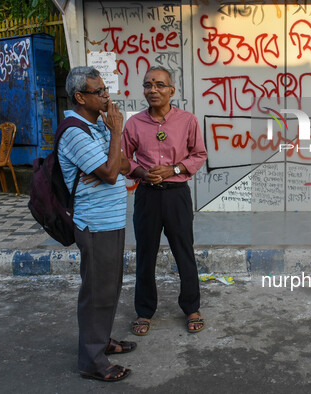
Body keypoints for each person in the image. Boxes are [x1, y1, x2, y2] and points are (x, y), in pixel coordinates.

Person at [59, 66, 134, 382]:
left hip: (112, 219)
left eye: (105, 89)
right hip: (95, 223)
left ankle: (100, 342)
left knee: (110, 286)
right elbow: (111, 173)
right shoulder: (75, 131)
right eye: (99, 91)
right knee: (97, 291)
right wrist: (116, 134)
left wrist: (111, 158)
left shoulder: (98, 126)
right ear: (80, 97)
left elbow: (125, 164)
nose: (107, 96)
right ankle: (91, 360)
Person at [122, 66, 207, 336]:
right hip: (147, 195)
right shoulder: (134, 123)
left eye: (159, 85)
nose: (153, 90)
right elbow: (124, 159)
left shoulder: (188, 121)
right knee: (145, 255)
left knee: (184, 252)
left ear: (172, 90)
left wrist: (174, 169)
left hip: (176, 196)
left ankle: (191, 307)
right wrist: (141, 172)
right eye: (148, 85)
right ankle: (144, 311)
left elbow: (199, 154)